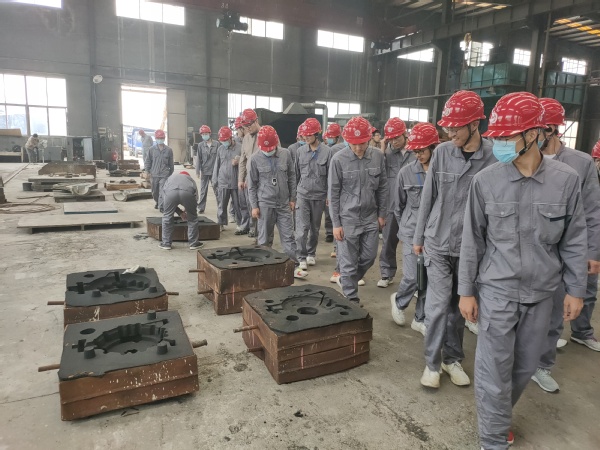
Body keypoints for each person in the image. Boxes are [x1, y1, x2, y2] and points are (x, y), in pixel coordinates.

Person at [458, 92, 588, 450]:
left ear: (533, 134)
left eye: (506, 137)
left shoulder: (566, 180)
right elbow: (472, 241)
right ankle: (493, 438)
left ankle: (497, 417)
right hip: (497, 291)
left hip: (543, 292)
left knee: (525, 366)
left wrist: (576, 289)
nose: (499, 144)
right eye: (497, 137)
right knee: (494, 368)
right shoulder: (486, 181)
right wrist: (466, 291)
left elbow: (574, 239)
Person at [413, 90, 496, 389]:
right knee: (437, 306)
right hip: (437, 241)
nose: (449, 134)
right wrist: (419, 236)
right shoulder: (443, 153)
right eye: (447, 129)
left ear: (474, 125)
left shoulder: (493, 158)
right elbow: (428, 196)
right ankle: (432, 364)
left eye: (455, 128)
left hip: (471, 248)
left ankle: (452, 359)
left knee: (460, 307)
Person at [530, 98, 600, 393]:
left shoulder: (580, 164)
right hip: (532, 247)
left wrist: (592, 252)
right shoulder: (524, 158)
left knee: (556, 314)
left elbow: (592, 211)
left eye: (540, 130)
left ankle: (542, 365)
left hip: (565, 251)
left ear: (553, 129)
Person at [328, 116, 388, 303]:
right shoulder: (338, 160)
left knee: (369, 257)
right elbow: (333, 193)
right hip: (348, 218)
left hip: (370, 217)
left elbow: (383, 187)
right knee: (348, 262)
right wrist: (336, 224)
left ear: (369, 139)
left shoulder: (377, 156)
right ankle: (351, 299)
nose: (358, 148)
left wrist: (382, 214)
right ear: (347, 140)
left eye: (362, 143)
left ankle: (347, 280)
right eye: (354, 144)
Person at [390, 122, 439, 336]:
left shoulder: (440, 172)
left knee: (426, 279)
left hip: (434, 234)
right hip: (411, 232)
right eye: (415, 151)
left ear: (433, 147)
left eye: (422, 150)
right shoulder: (406, 173)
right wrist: (405, 228)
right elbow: (398, 206)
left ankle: (420, 318)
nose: (418, 155)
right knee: (412, 276)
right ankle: (399, 302)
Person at [248, 126, 308, 280]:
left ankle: (293, 267)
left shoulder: (285, 154)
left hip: (283, 204)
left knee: (288, 237)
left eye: (271, 148)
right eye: (265, 149)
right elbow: (252, 185)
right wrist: (254, 206)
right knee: (264, 239)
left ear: (276, 143)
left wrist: (292, 198)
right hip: (264, 204)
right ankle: (264, 268)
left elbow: (292, 177)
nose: (268, 151)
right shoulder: (254, 159)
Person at [377, 117, 416, 288]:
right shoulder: (386, 155)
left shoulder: (416, 151)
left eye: (397, 138)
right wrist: (382, 149)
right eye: (391, 139)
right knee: (388, 241)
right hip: (392, 204)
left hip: (412, 206)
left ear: (405, 134)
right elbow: (379, 175)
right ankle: (387, 273)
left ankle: (415, 281)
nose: (395, 142)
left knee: (415, 243)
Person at [294, 118, 332, 270]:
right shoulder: (300, 152)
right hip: (302, 194)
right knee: (302, 228)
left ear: (317, 134)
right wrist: (293, 196)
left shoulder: (328, 152)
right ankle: (301, 256)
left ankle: (311, 253)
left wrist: (329, 195)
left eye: (309, 134)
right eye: (305, 135)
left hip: (319, 196)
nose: (306, 137)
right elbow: (296, 174)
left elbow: (331, 176)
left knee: (315, 228)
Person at [212, 126, 248, 234]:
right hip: (223, 181)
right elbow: (217, 165)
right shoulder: (220, 149)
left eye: (225, 140)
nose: (224, 142)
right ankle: (221, 223)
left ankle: (240, 223)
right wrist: (215, 180)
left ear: (230, 138)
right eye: (222, 140)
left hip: (235, 181)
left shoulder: (240, 148)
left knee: (238, 204)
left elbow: (246, 163)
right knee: (221, 204)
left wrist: (238, 161)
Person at [158, 171, 204, 251]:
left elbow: (164, 199)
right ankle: (193, 243)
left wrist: (180, 212)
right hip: (187, 193)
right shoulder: (190, 180)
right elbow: (195, 198)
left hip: (171, 193)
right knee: (192, 219)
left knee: (167, 217)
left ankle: (166, 243)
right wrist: (188, 210)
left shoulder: (170, 178)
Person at [238, 108, 262, 239]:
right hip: (249, 179)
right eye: (245, 126)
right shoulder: (246, 139)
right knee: (250, 204)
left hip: (263, 178)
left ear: (256, 121)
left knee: (262, 205)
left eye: (249, 125)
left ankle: (262, 231)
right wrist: (241, 179)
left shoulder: (266, 134)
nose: (247, 128)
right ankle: (253, 228)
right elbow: (243, 160)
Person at [146, 129, 174, 212]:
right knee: (155, 192)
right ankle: (157, 202)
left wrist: (170, 174)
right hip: (154, 174)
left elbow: (171, 163)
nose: (160, 140)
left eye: (161, 138)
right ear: (155, 138)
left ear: (164, 138)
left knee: (162, 191)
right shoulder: (151, 150)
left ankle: (161, 206)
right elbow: (148, 161)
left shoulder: (169, 150)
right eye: (158, 138)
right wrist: (147, 171)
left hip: (164, 174)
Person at [196, 125, 219, 214]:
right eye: (203, 134)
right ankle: (201, 208)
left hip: (214, 171)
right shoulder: (200, 145)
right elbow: (198, 158)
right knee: (203, 190)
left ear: (210, 134)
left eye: (206, 134)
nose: (204, 135)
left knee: (217, 190)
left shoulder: (216, 144)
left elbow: (219, 158)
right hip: (205, 171)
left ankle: (220, 206)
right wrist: (197, 171)